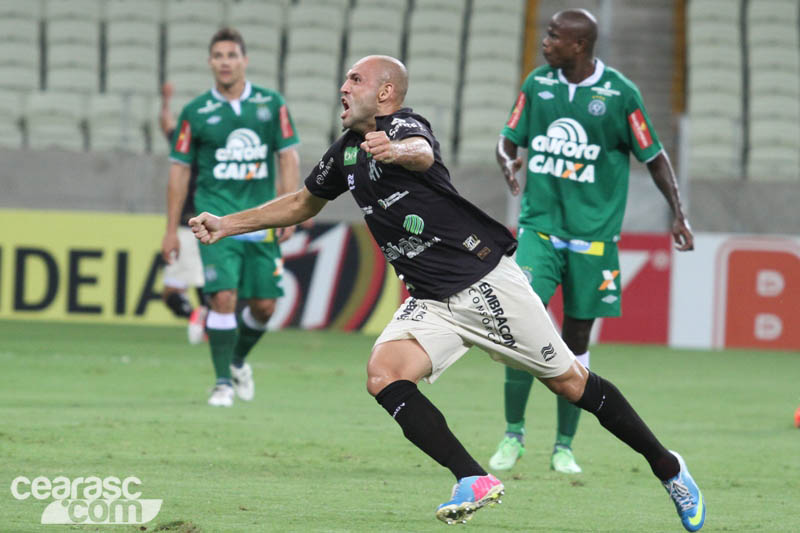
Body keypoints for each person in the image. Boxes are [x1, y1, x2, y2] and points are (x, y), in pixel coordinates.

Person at [189, 55, 705, 531]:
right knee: (383, 375)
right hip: (432, 299)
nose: (342, 88)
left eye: (355, 80)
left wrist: (395, 149)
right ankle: (472, 477)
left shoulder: (403, 128)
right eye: (345, 79)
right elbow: (303, 202)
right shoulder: (346, 153)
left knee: (570, 383)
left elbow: (420, 152)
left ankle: (668, 466)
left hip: (483, 283)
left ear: (386, 92)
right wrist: (227, 224)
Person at [489, 8, 695, 475]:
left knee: (575, 341)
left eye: (555, 37)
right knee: (522, 324)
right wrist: (507, 160)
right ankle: (513, 435)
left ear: (579, 45)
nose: (545, 42)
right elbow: (507, 138)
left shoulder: (620, 94)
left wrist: (679, 214)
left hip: (593, 240)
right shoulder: (537, 85)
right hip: (539, 229)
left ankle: (563, 445)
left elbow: (656, 156)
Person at [161, 27, 301, 407]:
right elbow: (179, 172)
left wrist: (290, 209)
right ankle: (221, 382)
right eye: (218, 56)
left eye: (231, 55)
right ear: (210, 62)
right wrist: (170, 230)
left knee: (264, 307)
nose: (225, 62)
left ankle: (237, 360)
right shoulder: (195, 113)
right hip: (214, 223)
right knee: (222, 297)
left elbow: (288, 156)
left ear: (244, 61)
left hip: (260, 220)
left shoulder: (272, 105)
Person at [158, 81, 208, 345]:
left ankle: (201, 320)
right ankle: (203, 320)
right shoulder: (210, 146)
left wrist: (166, 101)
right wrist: (166, 101)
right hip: (205, 220)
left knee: (174, 291)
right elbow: (166, 124)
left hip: (189, 222)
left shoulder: (187, 145)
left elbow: (165, 124)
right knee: (197, 284)